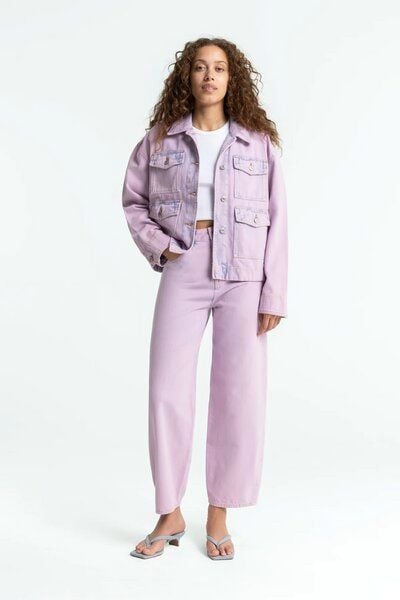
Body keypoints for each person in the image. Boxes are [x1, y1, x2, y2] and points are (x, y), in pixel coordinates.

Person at [121, 37, 288, 560]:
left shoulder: (258, 142)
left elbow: (279, 217)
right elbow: (133, 201)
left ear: (232, 78)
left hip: (244, 273)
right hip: (185, 263)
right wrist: (163, 247)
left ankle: (219, 512)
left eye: (219, 68)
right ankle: (169, 512)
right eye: (199, 67)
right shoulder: (160, 139)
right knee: (166, 390)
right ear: (187, 77)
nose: (209, 76)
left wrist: (274, 291)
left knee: (239, 394)